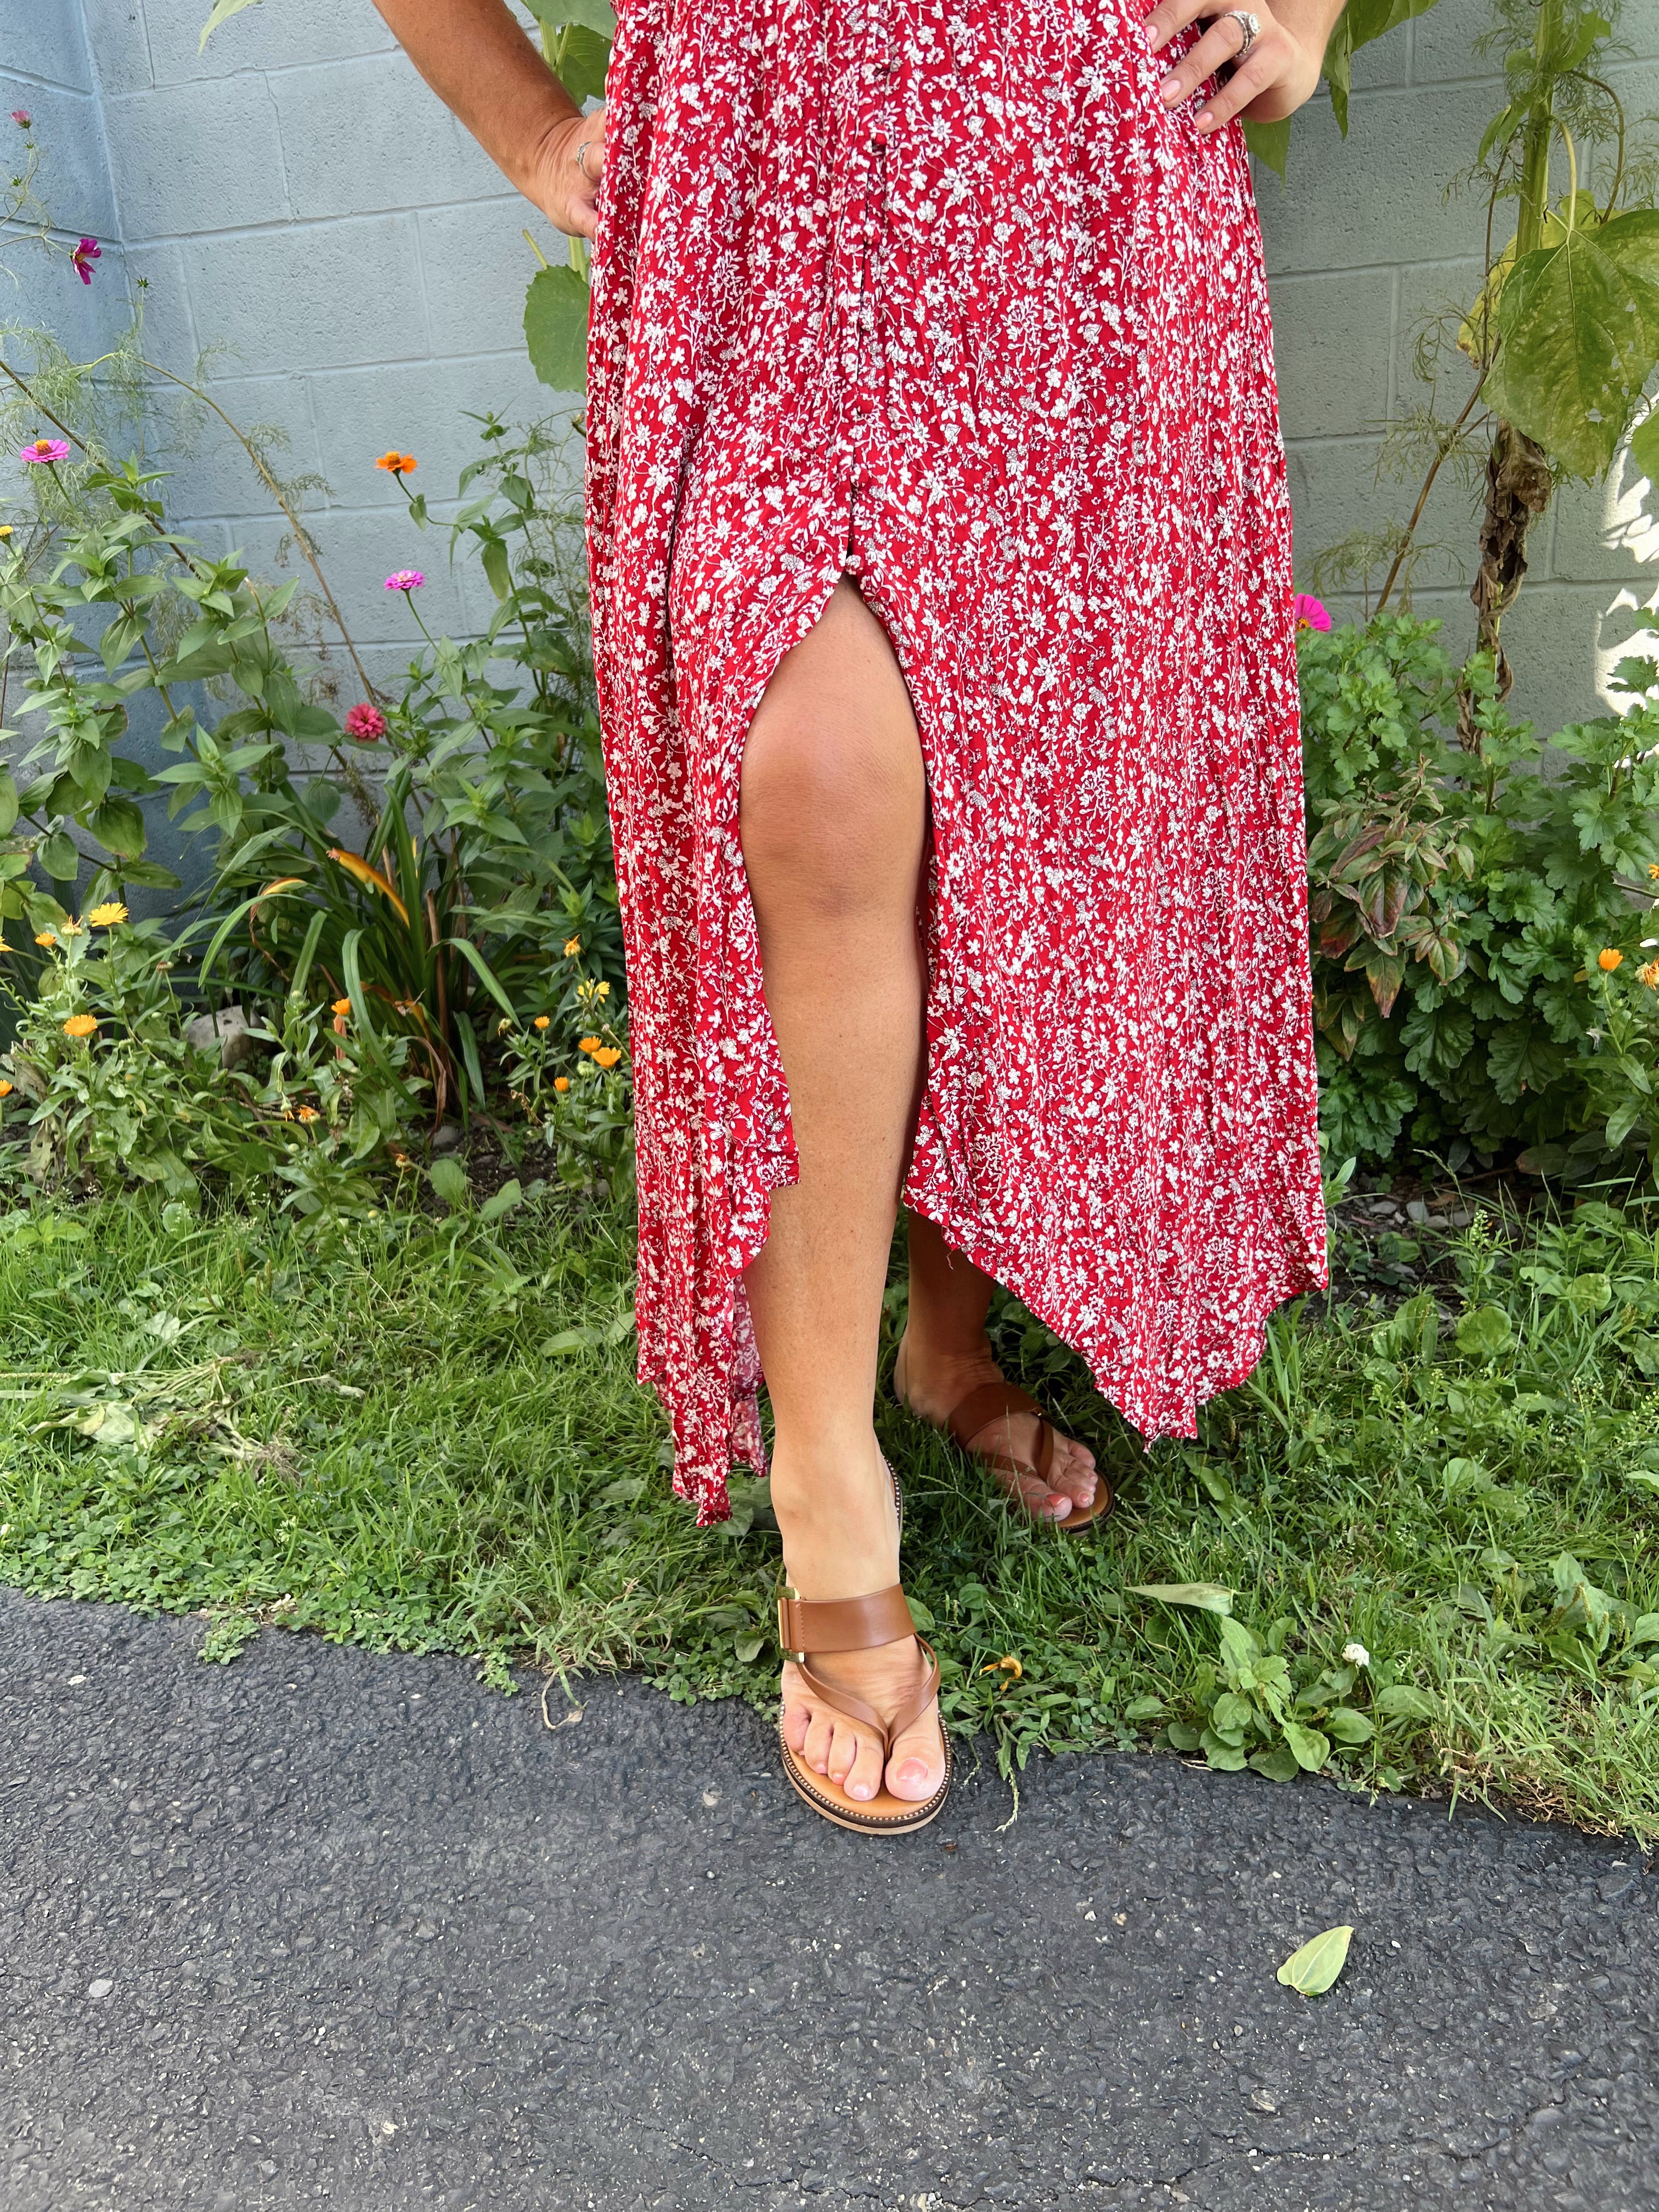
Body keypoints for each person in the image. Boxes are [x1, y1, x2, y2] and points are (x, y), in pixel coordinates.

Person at [373, 0, 1339, 1835]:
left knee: (1027, 802)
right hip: (747, 189)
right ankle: (826, 1473)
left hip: (1070, 182)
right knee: (811, 777)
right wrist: (525, 129)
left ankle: (945, 1343)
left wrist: (1303, 15)